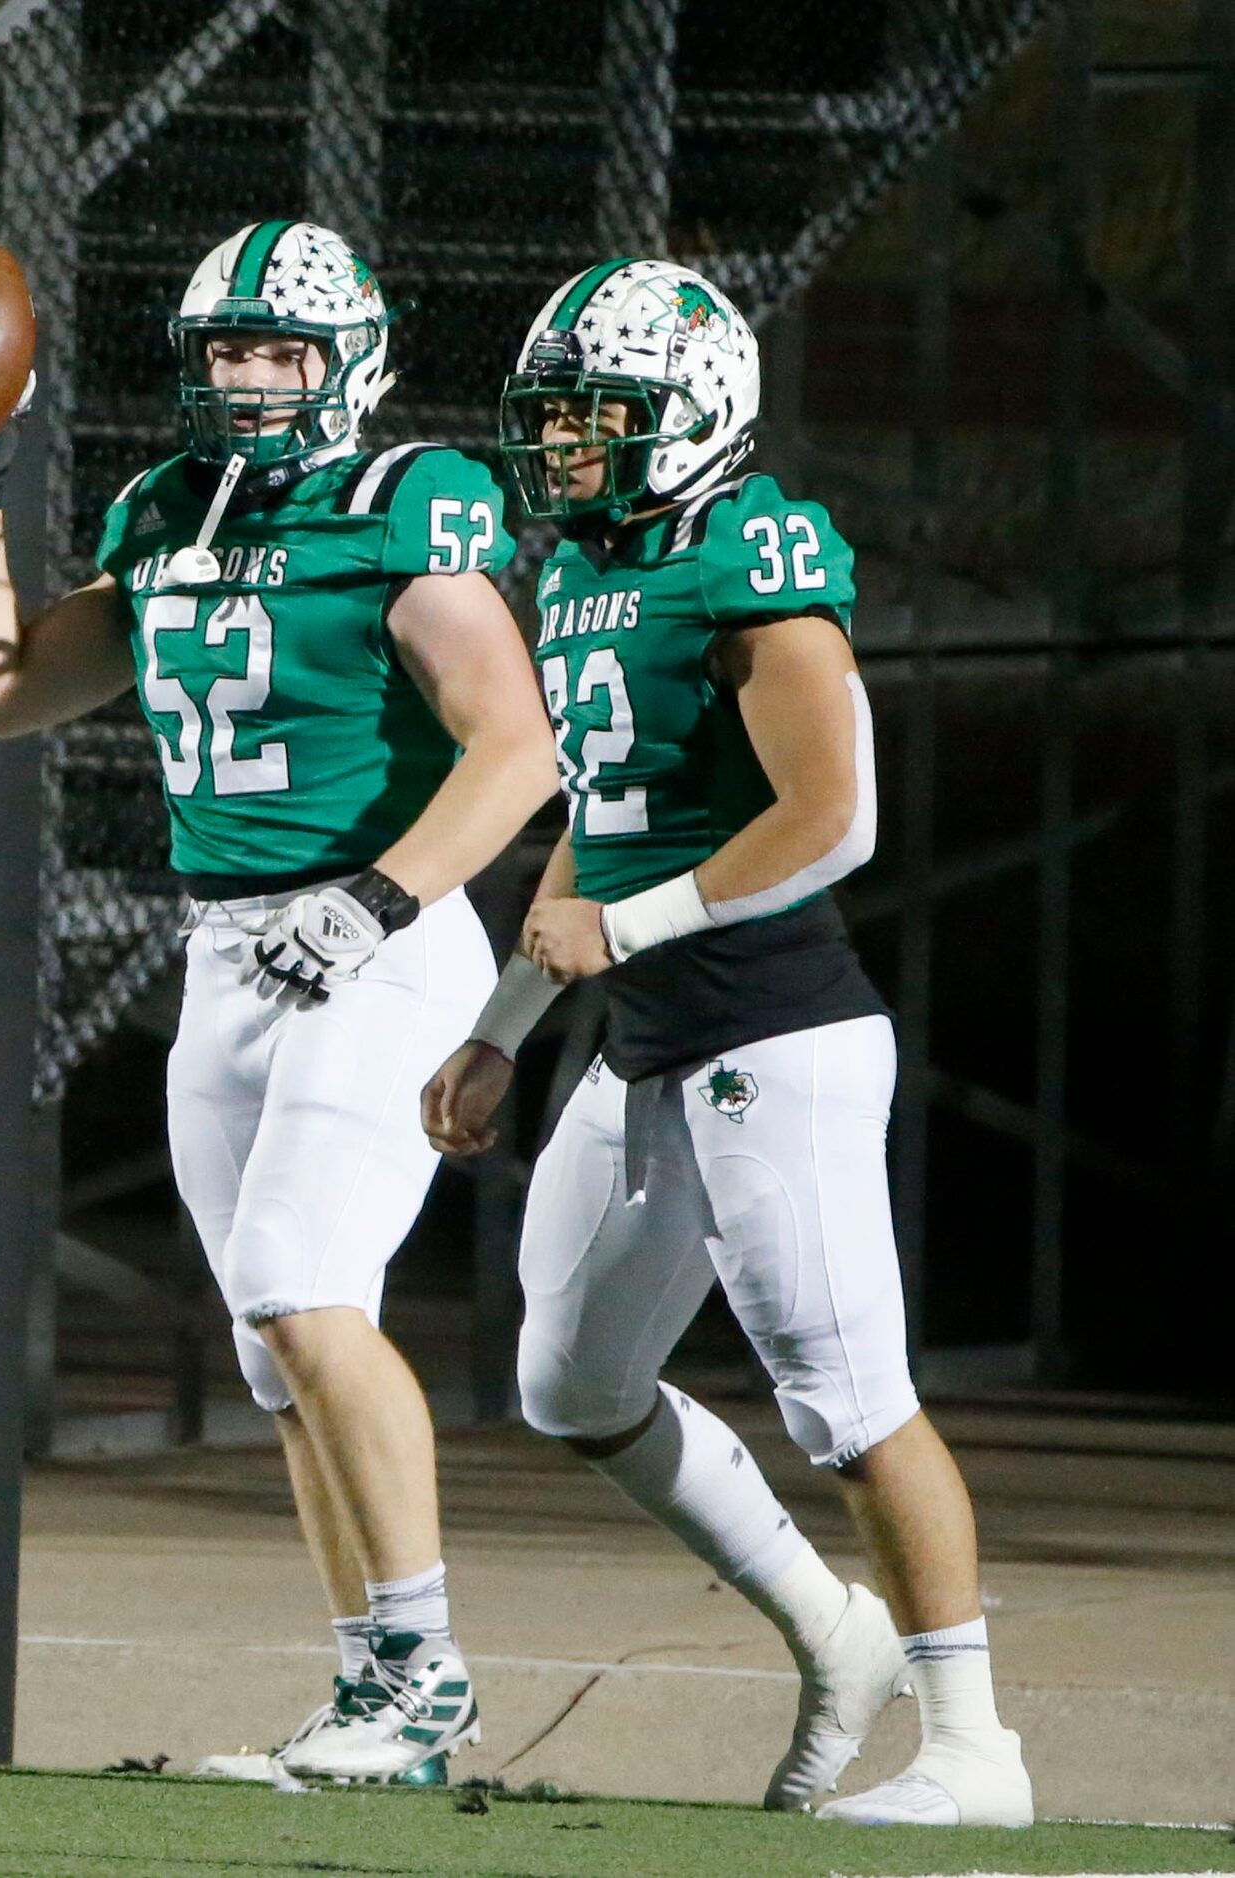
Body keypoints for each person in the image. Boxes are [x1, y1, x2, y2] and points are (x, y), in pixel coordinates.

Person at [0, 220, 556, 1783]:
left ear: (351, 361)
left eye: (281, 350)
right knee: (276, 1352)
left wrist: (377, 901)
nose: (251, 379)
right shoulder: (170, 510)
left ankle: (429, 1672)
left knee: (295, 1281)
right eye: (226, 350)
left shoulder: (403, 502)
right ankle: (375, 1687)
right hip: (229, 950)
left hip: (379, 936)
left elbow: (516, 747)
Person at [423, 258, 1033, 1827]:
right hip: (641, 1040)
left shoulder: (751, 549)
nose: (567, 447)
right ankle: (834, 1631)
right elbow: (599, 824)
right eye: (555, 417)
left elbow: (835, 816)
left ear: (694, 418)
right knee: (569, 1381)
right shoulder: (578, 572)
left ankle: (976, 1747)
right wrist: (505, 1025)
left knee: (848, 1395)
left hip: (780, 1026)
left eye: (601, 417)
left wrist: (621, 933)